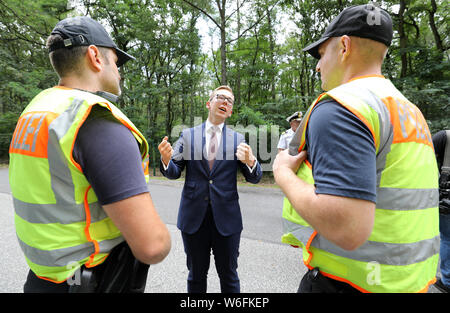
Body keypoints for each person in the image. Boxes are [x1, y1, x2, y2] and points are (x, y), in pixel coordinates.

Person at [272, 3, 439, 293]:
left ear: (345, 46)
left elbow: (347, 229)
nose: (317, 65)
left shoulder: (342, 106)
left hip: (348, 283)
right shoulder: (411, 112)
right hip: (408, 285)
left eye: (322, 54)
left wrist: (282, 173)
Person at [8, 16, 171, 293]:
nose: (119, 72)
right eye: (116, 63)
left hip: (42, 279)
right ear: (95, 56)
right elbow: (152, 247)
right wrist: (165, 239)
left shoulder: (37, 110)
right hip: (89, 282)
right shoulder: (95, 121)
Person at [158, 85, 262, 293]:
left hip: (227, 220)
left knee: (229, 276)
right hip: (194, 219)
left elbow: (254, 178)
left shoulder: (238, 139)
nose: (225, 102)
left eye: (229, 101)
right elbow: (174, 171)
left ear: (230, 111)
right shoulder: (187, 136)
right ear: (209, 103)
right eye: (220, 97)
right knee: (196, 276)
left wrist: (251, 161)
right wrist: (166, 159)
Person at [432, 130, 450, 293]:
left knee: (448, 238)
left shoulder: (444, 137)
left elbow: (422, 162)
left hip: (447, 200)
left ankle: (448, 281)